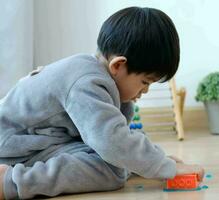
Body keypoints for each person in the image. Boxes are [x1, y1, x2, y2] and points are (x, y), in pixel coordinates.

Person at [0, 7, 204, 199]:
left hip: (38, 140)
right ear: (118, 65)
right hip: (13, 148)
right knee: (111, 170)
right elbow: (112, 142)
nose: (145, 91)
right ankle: (11, 182)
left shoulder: (100, 78)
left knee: (120, 155)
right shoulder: (86, 82)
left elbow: (120, 135)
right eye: (144, 82)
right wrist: (165, 166)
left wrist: (158, 160)